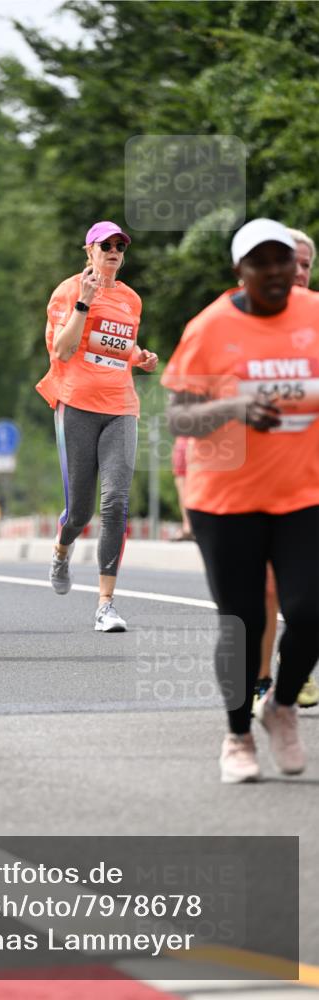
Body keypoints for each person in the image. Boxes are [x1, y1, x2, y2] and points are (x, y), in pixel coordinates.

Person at [163, 218, 319, 783]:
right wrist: (233, 409)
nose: (275, 272)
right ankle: (238, 736)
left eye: (283, 261)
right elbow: (179, 417)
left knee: (311, 610)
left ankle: (282, 706)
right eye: (261, 263)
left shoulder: (315, 315)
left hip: (304, 493)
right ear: (240, 271)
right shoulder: (209, 328)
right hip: (227, 500)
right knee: (244, 622)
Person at [36, 220, 158, 631]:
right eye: (106, 245)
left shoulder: (131, 299)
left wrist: (140, 357)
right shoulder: (68, 291)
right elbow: (62, 349)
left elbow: (120, 344)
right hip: (76, 406)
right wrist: (84, 303)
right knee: (80, 512)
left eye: (120, 246)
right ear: (89, 251)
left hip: (121, 406)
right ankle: (62, 548)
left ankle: (106, 604)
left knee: (116, 503)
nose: (114, 252)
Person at [254, 226, 319, 710]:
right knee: (269, 587)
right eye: (289, 262)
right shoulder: (242, 318)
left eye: (305, 265)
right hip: (259, 477)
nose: (297, 273)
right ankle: (262, 680)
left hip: (310, 474)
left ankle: (296, 668)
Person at [170, 436, 194, 541]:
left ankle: (189, 526)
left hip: (200, 441)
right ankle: (187, 526)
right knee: (182, 484)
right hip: (183, 440)